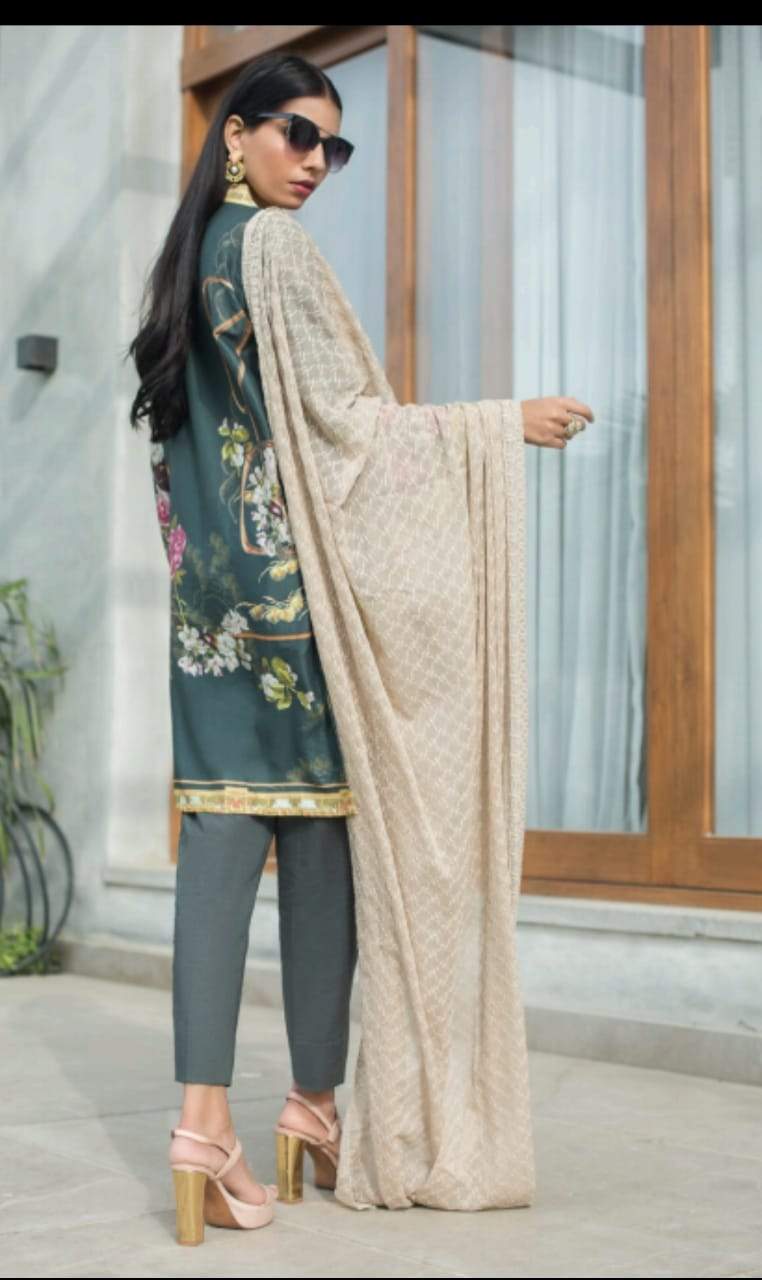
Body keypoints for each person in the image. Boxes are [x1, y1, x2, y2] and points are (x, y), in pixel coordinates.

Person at [127, 47, 594, 1244]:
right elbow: (350, 429)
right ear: (236, 133)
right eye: (297, 133)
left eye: (333, 145)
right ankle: (313, 1104)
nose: (317, 162)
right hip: (298, 609)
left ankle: (208, 1125)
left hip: (212, 615)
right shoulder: (273, 249)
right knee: (323, 848)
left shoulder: (192, 261)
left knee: (222, 845)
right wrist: (498, 423)